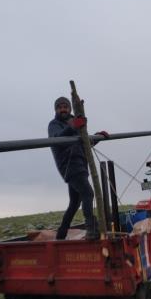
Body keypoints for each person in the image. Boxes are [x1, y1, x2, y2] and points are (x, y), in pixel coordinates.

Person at [48, 96, 108, 240]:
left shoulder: (74, 121)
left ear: (70, 108)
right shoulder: (54, 125)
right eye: (59, 107)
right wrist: (73, 126)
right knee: (88, 193)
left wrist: (97, 137)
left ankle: (61, 235)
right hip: (69, 165)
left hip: (81, 164)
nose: (63, 109)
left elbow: (84, 143)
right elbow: (57, 140)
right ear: (56, 110)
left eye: (65, 107)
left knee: (75, 203)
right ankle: (91, 229)